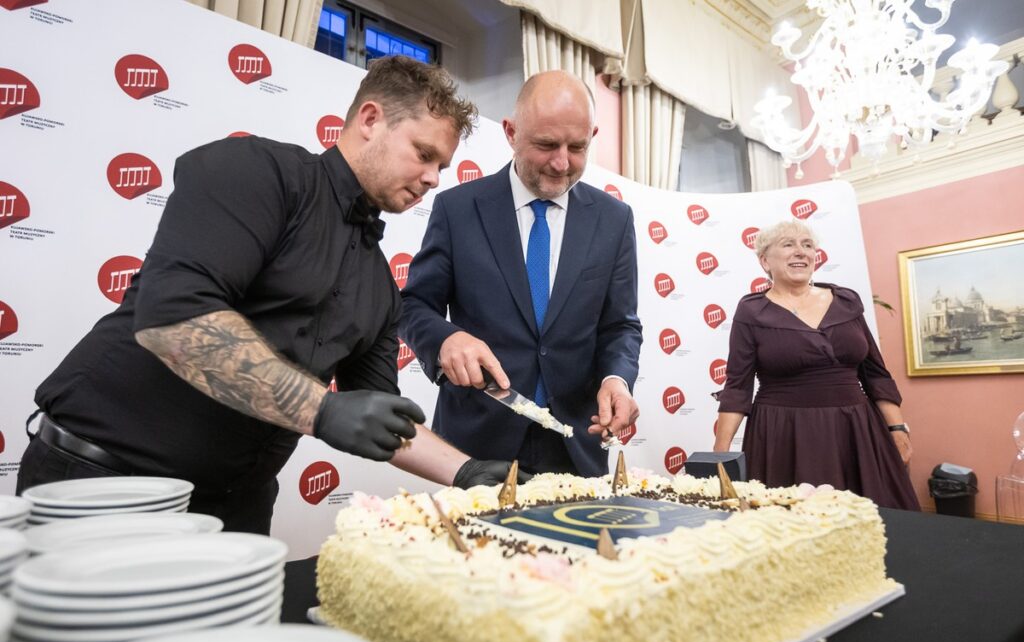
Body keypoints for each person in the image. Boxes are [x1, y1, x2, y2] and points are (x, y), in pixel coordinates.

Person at [18, 56, 524, 534]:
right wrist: (322, 413)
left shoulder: (381, 288)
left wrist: (468, 471)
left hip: (235, 504)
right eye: (424, 154)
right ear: (370, 119)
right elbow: (173, 319)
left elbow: (381, 414)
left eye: (443, 166)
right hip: (106, 481)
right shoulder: (257, 172)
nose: (434, 179)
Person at [399, 70, 643, 477]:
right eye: (546, 145)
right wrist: (446, 339)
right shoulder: (457, 209)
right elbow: (413, 306)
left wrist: (617, 379)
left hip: (577, 444)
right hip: (475, 443)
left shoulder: (614, 219)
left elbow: (620, 325)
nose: (562, 163)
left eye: (577, 147)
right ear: (511, 133)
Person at [713, 220, 919, 510]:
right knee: (791, 531)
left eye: (807, 245)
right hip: (784, 434)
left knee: (877, 524)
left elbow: (875, 373)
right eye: (788, 244)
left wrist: (897, 429)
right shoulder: (751, 311)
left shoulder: (847, 301)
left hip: (856, 429)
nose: (801, 252)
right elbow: (738, 385)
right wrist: (720, 454)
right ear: (764, 261)